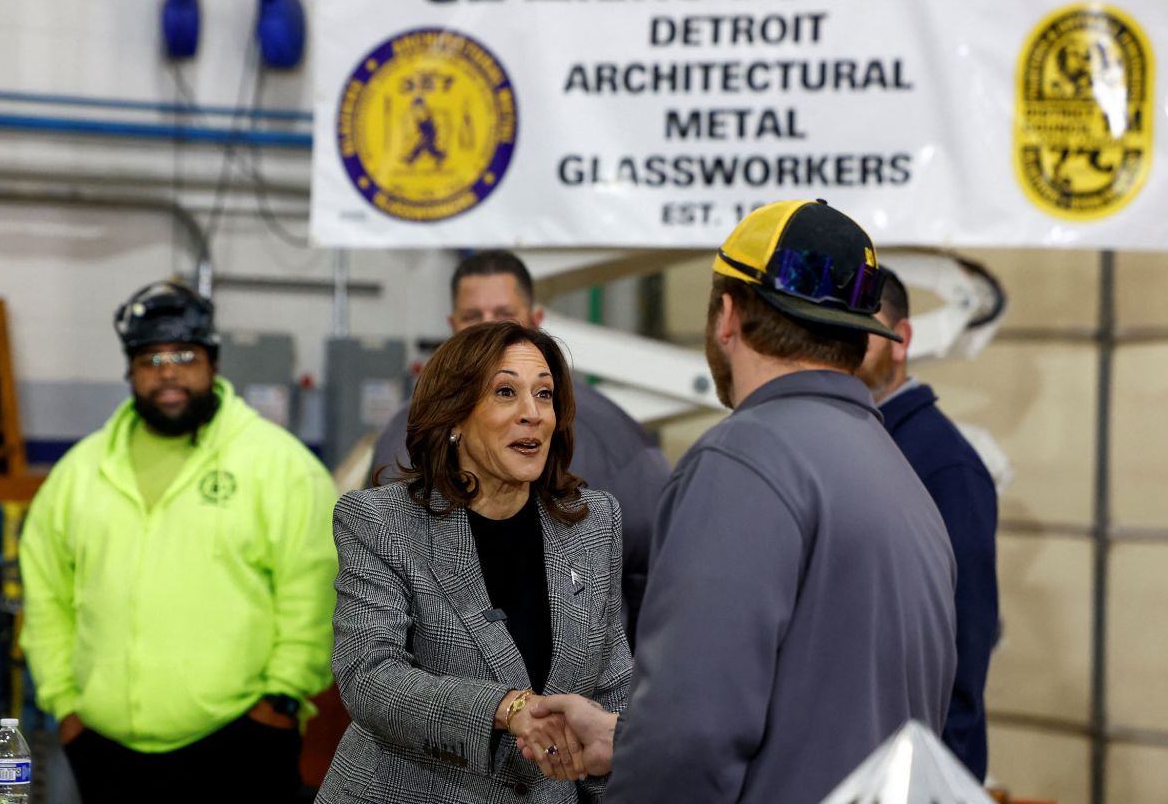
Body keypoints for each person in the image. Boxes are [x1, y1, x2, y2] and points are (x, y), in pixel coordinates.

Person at [521, 200, 958, 803]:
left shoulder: (743, 462)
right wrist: (629, 741)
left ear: (727, 315)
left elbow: (694, 732)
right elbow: (824, 714)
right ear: (861, 338)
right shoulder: (897, 476)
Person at [19, 281, 340, 804]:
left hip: (243, 742)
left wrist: (280, 701)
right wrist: (66, 707)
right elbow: (46, 593)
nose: (167, 371)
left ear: (212, 363)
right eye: (151, 358)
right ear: (130, 371)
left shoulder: (280, 466)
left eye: (184, 355)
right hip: (103, 746)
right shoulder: (79, 473)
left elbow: (314, 590)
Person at [317, 321, 632, 803]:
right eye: (506, 392)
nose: (533, 414)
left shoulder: (594, 524)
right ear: (455, 418)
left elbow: (614, 683)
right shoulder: (380, 521)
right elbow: (371, 675)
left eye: (544, 395)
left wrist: (619, 755)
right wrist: (508, 707)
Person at [369, 250, 668, 647]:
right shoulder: (404, 436)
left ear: (536, 321)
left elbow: (651, 576)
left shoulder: (615, 437)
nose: (490, 330)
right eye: (474, 317)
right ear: (452, 326)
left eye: (504, 314)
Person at [856, 267, 1000, 781]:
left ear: (902, 339)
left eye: (864, 324)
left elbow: (964, 647)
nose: (846, 340)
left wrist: (941, 780)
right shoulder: (856, 443)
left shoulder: (943, 465)